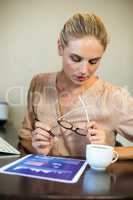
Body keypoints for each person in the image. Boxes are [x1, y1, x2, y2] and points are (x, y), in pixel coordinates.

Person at [19, 12, 133, 158]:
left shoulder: (115, 97)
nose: (84, 71)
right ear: (60, 47)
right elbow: (25, 139)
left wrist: (107, 151)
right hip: (44, 180)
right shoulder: (39, 83)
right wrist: (37, 147)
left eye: (93, 61)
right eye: (76, 58)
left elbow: (109, 153)